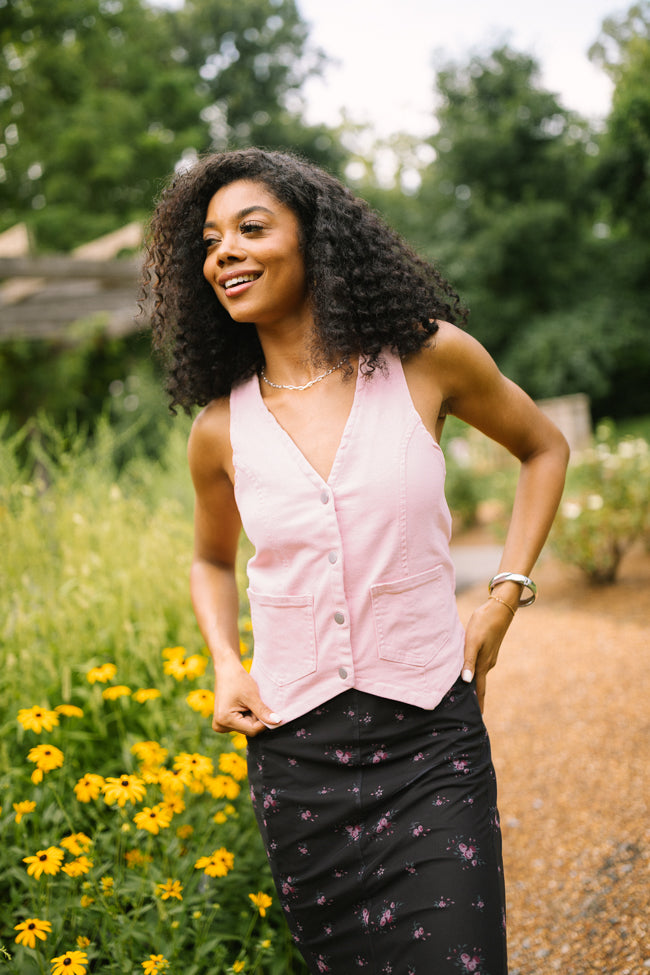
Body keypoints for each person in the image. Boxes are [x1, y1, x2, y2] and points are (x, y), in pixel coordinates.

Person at [145, 147, 569, 975]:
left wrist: (505, 594)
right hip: (298, 765)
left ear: (317, 239)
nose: (223, 250)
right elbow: (210, 560)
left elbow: (544, 448)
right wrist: (226, 661)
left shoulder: (427, 359)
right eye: (209, 240)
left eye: (250, 228)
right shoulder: (219, 430)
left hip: (431, 747)